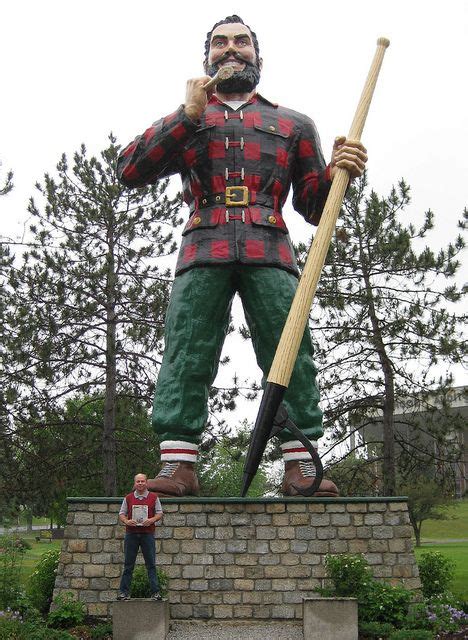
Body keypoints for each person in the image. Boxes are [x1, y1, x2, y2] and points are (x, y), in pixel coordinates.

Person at [117, 15, 367, 498]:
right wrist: (184, 116)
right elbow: (130, 169)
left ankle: (301, 465)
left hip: (269, 246)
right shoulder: (191, 119)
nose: (232, 50)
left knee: (290, 349)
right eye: (220, 43)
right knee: (187, 349)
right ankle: (178, 464)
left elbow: (314, 208)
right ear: (206, 57)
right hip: (202, 245)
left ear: (257, 54)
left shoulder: (293, 124)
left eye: (242, 42)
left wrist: (341, 173)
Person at [117, 473, 164, 600]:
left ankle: (155, 593)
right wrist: (126, 521)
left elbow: (160, 513)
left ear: (146, 483)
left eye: (142, 481)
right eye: (138, 481)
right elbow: (122, 514)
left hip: (147, 534)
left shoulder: (154, 497)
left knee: (151, 565)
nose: (140, 483)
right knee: (128, 565)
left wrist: (152, 520)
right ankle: (124, 593)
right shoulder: (128, 498)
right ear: (135, 483)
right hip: (131, 534)